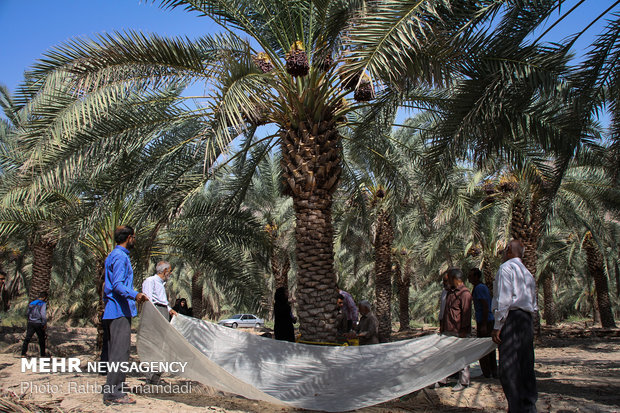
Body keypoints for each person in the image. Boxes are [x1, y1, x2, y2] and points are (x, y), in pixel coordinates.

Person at [102, 226, 148, 406]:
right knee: (119, 354)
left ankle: (113, 389)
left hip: (114, 310)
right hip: (119, 310)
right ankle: (114, 393)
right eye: (134, 237)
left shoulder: (114, 255)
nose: (134, 240)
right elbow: (118, 286)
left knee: (116, 353)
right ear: (129, 238)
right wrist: (136, 294)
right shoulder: (120, 257)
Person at [492, 240, 538, 413]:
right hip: (526, 320)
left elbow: (503, 299)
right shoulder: (527, 273)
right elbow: (533, 303)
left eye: (504, 250)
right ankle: (529, 406)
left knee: (508, 366)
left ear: (509, 250)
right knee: (526, 364)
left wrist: (498, 325)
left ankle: (516, 407)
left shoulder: (506, 269)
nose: (503, 254)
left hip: (511, 318)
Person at [142, 261, 177, 384]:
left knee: (162, 345)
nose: (170, 273)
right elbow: (148, 299)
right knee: (154, 344)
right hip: (155, 312)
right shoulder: (150, 281)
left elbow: (162, 301)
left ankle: (156, 376)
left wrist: (170, 310)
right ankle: (151, 377)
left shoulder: (161, 284)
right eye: (170, 270)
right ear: (165, 271)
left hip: (162, 311)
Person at [444, 268, 472, 392]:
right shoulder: (450, 293)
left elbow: (466, 313)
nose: (447, 281)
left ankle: (464, 382)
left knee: (462, 356)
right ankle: (442, 379)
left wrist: (463, 330)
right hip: (449, 329)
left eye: (449, 278)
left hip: (459, 330)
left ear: (455, 279)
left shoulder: (465, 294)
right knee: (445, 355)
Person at [468, 267, 497, 378]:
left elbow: (485, 306)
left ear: (476, 276)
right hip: (485, 320)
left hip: (486, 321)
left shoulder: (480, 288)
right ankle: (491, 371)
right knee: (489, 348)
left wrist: (483, 324)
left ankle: (488, 372)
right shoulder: (478, 288)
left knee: (484, 348)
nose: (469, 278)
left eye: (470, 276)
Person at [21, 292, 48, 357]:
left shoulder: (32, 303)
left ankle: (23, 353)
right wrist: (44, 323)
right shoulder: (43, 304)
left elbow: (28, 313)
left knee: (27, 338)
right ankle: (43, 354)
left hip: (31, 323)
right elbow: (43, 314)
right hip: (38, 323)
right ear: (44, 297)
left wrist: (29, 320)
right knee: (41, 339)